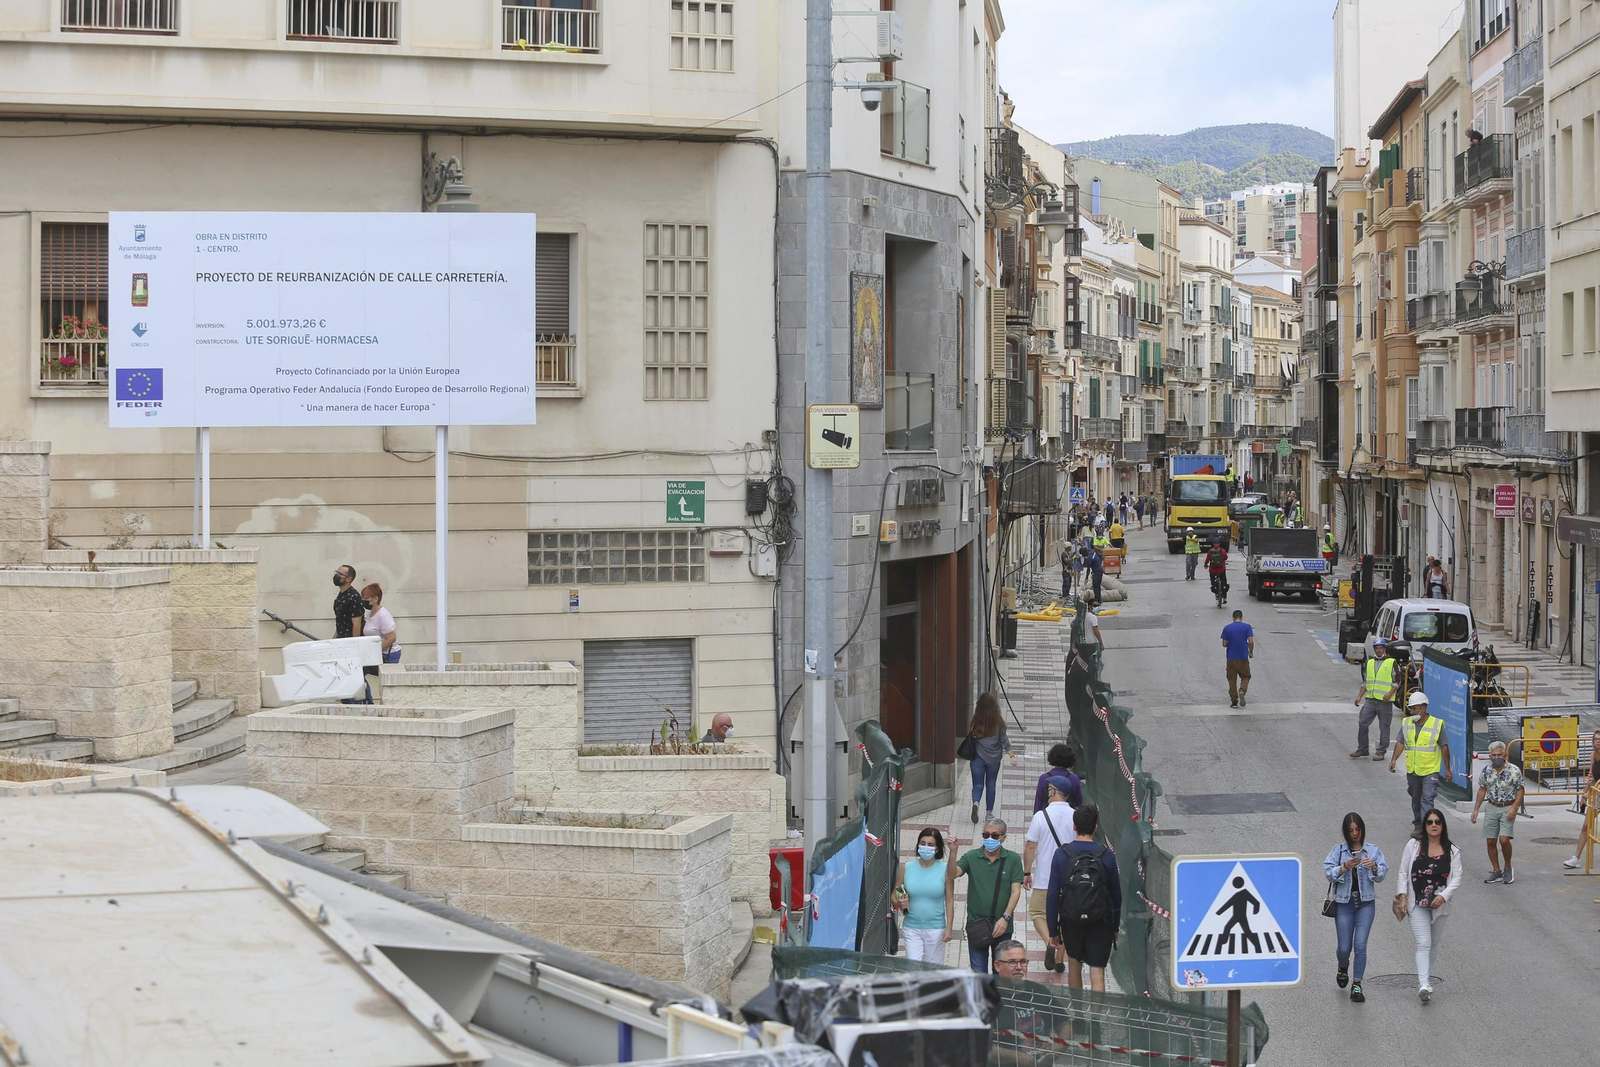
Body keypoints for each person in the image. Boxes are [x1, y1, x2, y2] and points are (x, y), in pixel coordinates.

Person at [1046, 803, 1121, 992]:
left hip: (1071, 920)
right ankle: (1096, 1012)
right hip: (1101, 920)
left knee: (1073, 965)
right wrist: (1114, 926)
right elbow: (1116, 894)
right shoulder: (1106, 855)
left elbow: (1053, 894)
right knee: (1097, 972)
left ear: (1074, 826)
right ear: (1095, 827)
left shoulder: (1062, 854)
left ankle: (1077, 1011)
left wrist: (1053, 930)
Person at [1394, 807, 1461, 1003]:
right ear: (1424, 826)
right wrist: (1403, 896)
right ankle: (1423, 984)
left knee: (1433, 944)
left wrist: (1444, 896)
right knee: (1423, 943)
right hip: (1417, 903)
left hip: (1440, 904)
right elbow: (1403, 872)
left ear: (1443, 825)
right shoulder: (1413, 845)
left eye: (1437, 822)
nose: (1433, 825)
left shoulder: (1452, 850)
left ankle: (1426, 976)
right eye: (1430, 822)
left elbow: (1457, 877)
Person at [1323, 812, 1387, 1003]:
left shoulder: (1372, 850)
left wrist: (1374, 866)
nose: (1355, 834)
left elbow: (1382, 874)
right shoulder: (1338, 851)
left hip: (1366, 903)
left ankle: (1357, 984)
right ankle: (1343, 966)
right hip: (1344, 903)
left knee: (1360, 944)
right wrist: (1345, 866)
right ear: (1346, 832)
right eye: (1351, 830)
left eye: (1357, 829)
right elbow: (1329, 873)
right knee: (1344, 947)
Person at [947, 818, 1024, 973]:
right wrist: (953, 853)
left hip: (1002, 926)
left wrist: (1006, 917)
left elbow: (1016, 891)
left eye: (994, 836)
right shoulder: (971, 856)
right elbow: (952, 874)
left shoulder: (1013, 859)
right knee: (978, 973)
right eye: (986, 835)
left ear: (1003, 838)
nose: (989, 839)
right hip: (977, 926)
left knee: (1001, 973)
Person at [1022, 776, 1077, 973]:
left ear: (1053, 791)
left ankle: (1049, 942)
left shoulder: (1041, 816)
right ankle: (1060, 962)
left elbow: (1031, 846)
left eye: (1048, 790)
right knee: (1064, 920)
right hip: (1071, 880)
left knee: (1037, 912)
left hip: (1045, 878)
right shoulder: (1076, 816)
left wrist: (1027, 872)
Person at [1390, 691, 1451, 828]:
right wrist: (1394, 760)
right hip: (1413, 770)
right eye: (1410, 708)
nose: (1411, 712)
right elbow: (1400, 742)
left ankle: (1426, 828)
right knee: (1416, 799)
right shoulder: (1407, 723)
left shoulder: (1436, 724)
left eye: (1414, 708)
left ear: (1423, 708)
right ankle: (1418, 824)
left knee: (1427, 799)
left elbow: (1444, 746)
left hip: (1430, 770)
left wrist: (1447, 769)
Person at [895, 828, 953, 962]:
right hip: (911, 927)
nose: (926, 847)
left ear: (937, 849)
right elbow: (896, 894)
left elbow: (950, 901)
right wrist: (899, 902)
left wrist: (949, 927)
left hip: (936, 929)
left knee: (933, 970)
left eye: (930, 844)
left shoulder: (945, 870)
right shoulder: (906, 868)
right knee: (913, 967)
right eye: (923, 843)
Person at [1471, 741, 1525, 884]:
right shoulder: (1486, 770)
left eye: (1499, 755)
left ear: (1504, 755)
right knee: (1490, 840)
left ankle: (1508, 867)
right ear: (1490, 756)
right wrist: (1476, 809)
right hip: (1491, 806)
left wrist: (1514, 808)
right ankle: (1496, 870)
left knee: (1504, 839)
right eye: (1494, 755)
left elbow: (1520, 790)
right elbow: (1482, 789)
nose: (1497, 758)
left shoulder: (1514, 770)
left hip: (1507, 806)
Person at [968, 692, 1017, 824]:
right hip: (994, 759)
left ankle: (976, 803)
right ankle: (989, 814)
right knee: (991, 784)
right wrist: (1011, 755)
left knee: (977, 785)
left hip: (977, 758)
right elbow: (1004, 740)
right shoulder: (998, 722)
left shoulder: (975, 721)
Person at [1351, 638, 1397, 760]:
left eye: (1381, 648)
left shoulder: (1392, 662)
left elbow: (1397, 681)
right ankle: (1363, 749)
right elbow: (1366, 681)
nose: (1379, 650)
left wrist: (1390, 693)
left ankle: (1381, 752)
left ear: (1384, 649)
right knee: (1363, 722)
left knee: (1384, 727)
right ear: (1374, 649)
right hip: (1371, 700)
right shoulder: (1370, 662)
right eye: (1377, 648)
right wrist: (1359, 696)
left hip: (1385, 701)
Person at [1566, 728, 1600, 868]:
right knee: (1586, 826)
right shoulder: (1593, 755)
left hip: (1597, 789)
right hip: (1597, 793)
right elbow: (1591, 776)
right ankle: (1576, 858)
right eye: (1596, 739)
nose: (1598, 741)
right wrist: (1584, 794)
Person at [360, 583, 401, 674]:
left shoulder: (383, 616)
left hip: (388, 655)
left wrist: (375, 650)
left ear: (375, 599)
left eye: (366, 598)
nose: (363, 601)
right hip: (376, 655)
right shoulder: (370, 614)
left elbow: (391, 638)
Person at [1033, 742, 1083, 814]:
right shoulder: (1074, 778)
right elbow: (1079, 802)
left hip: (1047, 816)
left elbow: (1038, 804)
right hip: (1068, 816)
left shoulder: (1044, 778)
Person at [1220, 609, 1254, 708]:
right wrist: (1251, 652)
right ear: (1242, 618)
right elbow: (1251, 641)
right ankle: (1242, 690)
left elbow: (1224, 644)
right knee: (1245, 676)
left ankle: (1234, 701)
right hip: (1243, 657)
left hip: (1231, 658)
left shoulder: (1227, 628)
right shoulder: (1247, 627)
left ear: (1233, 618)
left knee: (1231, 679)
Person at [332, 564, 364, 639]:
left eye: (340, 574)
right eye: (336, 572)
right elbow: (340, 622)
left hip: (349, 639)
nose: (337, 576)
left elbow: (357, 624)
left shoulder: (353, 596)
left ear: (349, 579)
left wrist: (355, 642)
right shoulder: (341, 595)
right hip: (341, 639)